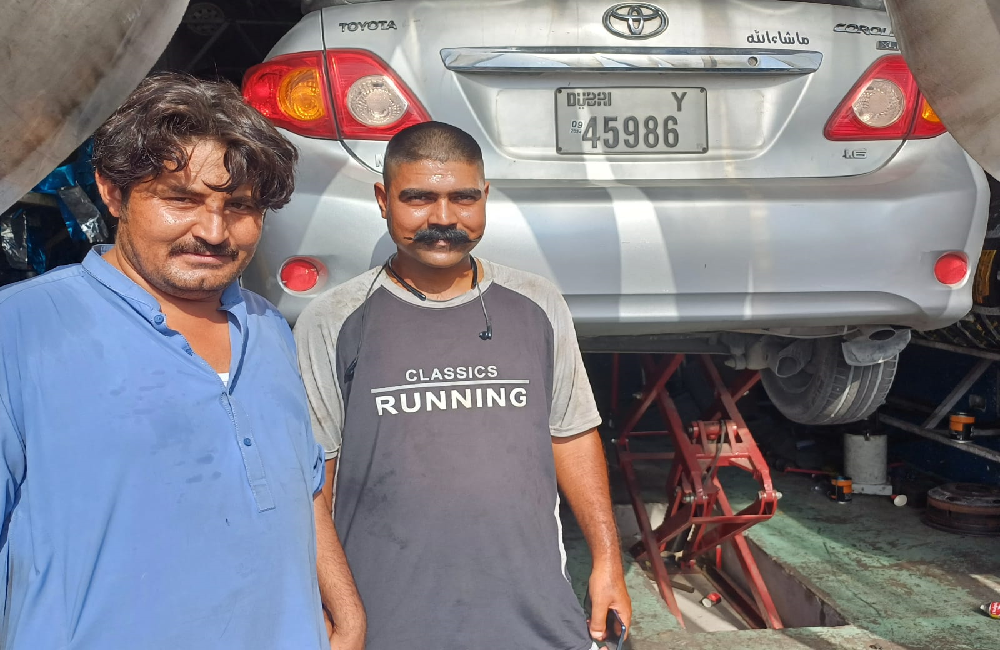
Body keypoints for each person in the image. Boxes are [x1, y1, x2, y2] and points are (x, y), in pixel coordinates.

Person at [0, 73, 365, 649]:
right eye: (181, 200)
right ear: (113, 193)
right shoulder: (22, 329)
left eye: (240, 207)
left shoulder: (268, 327)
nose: (214, 232)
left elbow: (303, 482)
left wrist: (347, 613)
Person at [295, 121, 632, 650]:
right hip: (388, 627)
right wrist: (331, 607)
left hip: (536, 625)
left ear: (485, 197)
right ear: (383, 200)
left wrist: (607, 562)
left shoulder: (537, 303)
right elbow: (313, 481)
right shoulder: (333, 320)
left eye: (463, 198)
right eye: (419, 198)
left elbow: (571, 435)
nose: (443, 219)